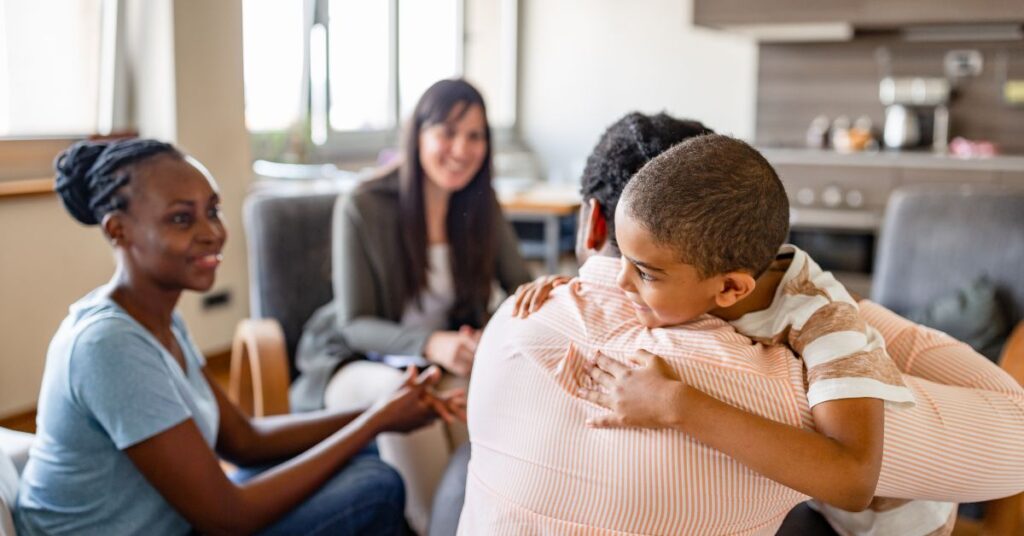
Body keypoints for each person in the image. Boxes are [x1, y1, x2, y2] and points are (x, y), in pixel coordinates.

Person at [459, 113, 1024, 534]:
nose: (618, 284)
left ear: (730, 287)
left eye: (643, 272)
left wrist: (676, 404)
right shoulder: (692, 295)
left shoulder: (828, 331)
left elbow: (854, 482)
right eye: (619, 264)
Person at [16, 138, 465, 536]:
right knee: (375, 487)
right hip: (199, 522)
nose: (212, 233)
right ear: (118, 230)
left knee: (367, 457)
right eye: (181, 219)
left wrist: (378, 413)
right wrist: (374, 421)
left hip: (181, 519)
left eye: (212, 210)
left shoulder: (158, 319)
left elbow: (243, 440)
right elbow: (229, 519)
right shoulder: (107, 346)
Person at [290, 78, 532, 532]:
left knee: (482, 388)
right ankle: (429, 525)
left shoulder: (482, 206)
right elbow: (355, 322)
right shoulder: (362, 205)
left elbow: (522, 290)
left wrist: (490, 334)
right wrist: (431, 343)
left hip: (436, 361)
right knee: (408, 398)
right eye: (447, 132)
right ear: (417, 134)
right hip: (354, 361)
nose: (461, 149)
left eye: (475, 135)